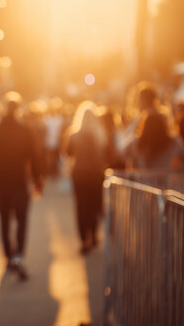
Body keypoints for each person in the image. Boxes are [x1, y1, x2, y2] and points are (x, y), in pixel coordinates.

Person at [0, 92, 42, 278]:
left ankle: (8, 255)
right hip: (19, 182)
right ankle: (19, 255)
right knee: (22, 220)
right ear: (17, 110)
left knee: (4, 220)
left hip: (1, 183)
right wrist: (38, 181)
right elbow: (34, 158)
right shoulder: (26, 131)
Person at [65, 101, 107, 255]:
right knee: (94, 204)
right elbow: (105, 153)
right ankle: (94, 235)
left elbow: (68, 153)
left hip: (79, 173)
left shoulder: (74, 135)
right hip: (96, 173)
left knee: (81, 207)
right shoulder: (100, 134)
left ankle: (84, 239)